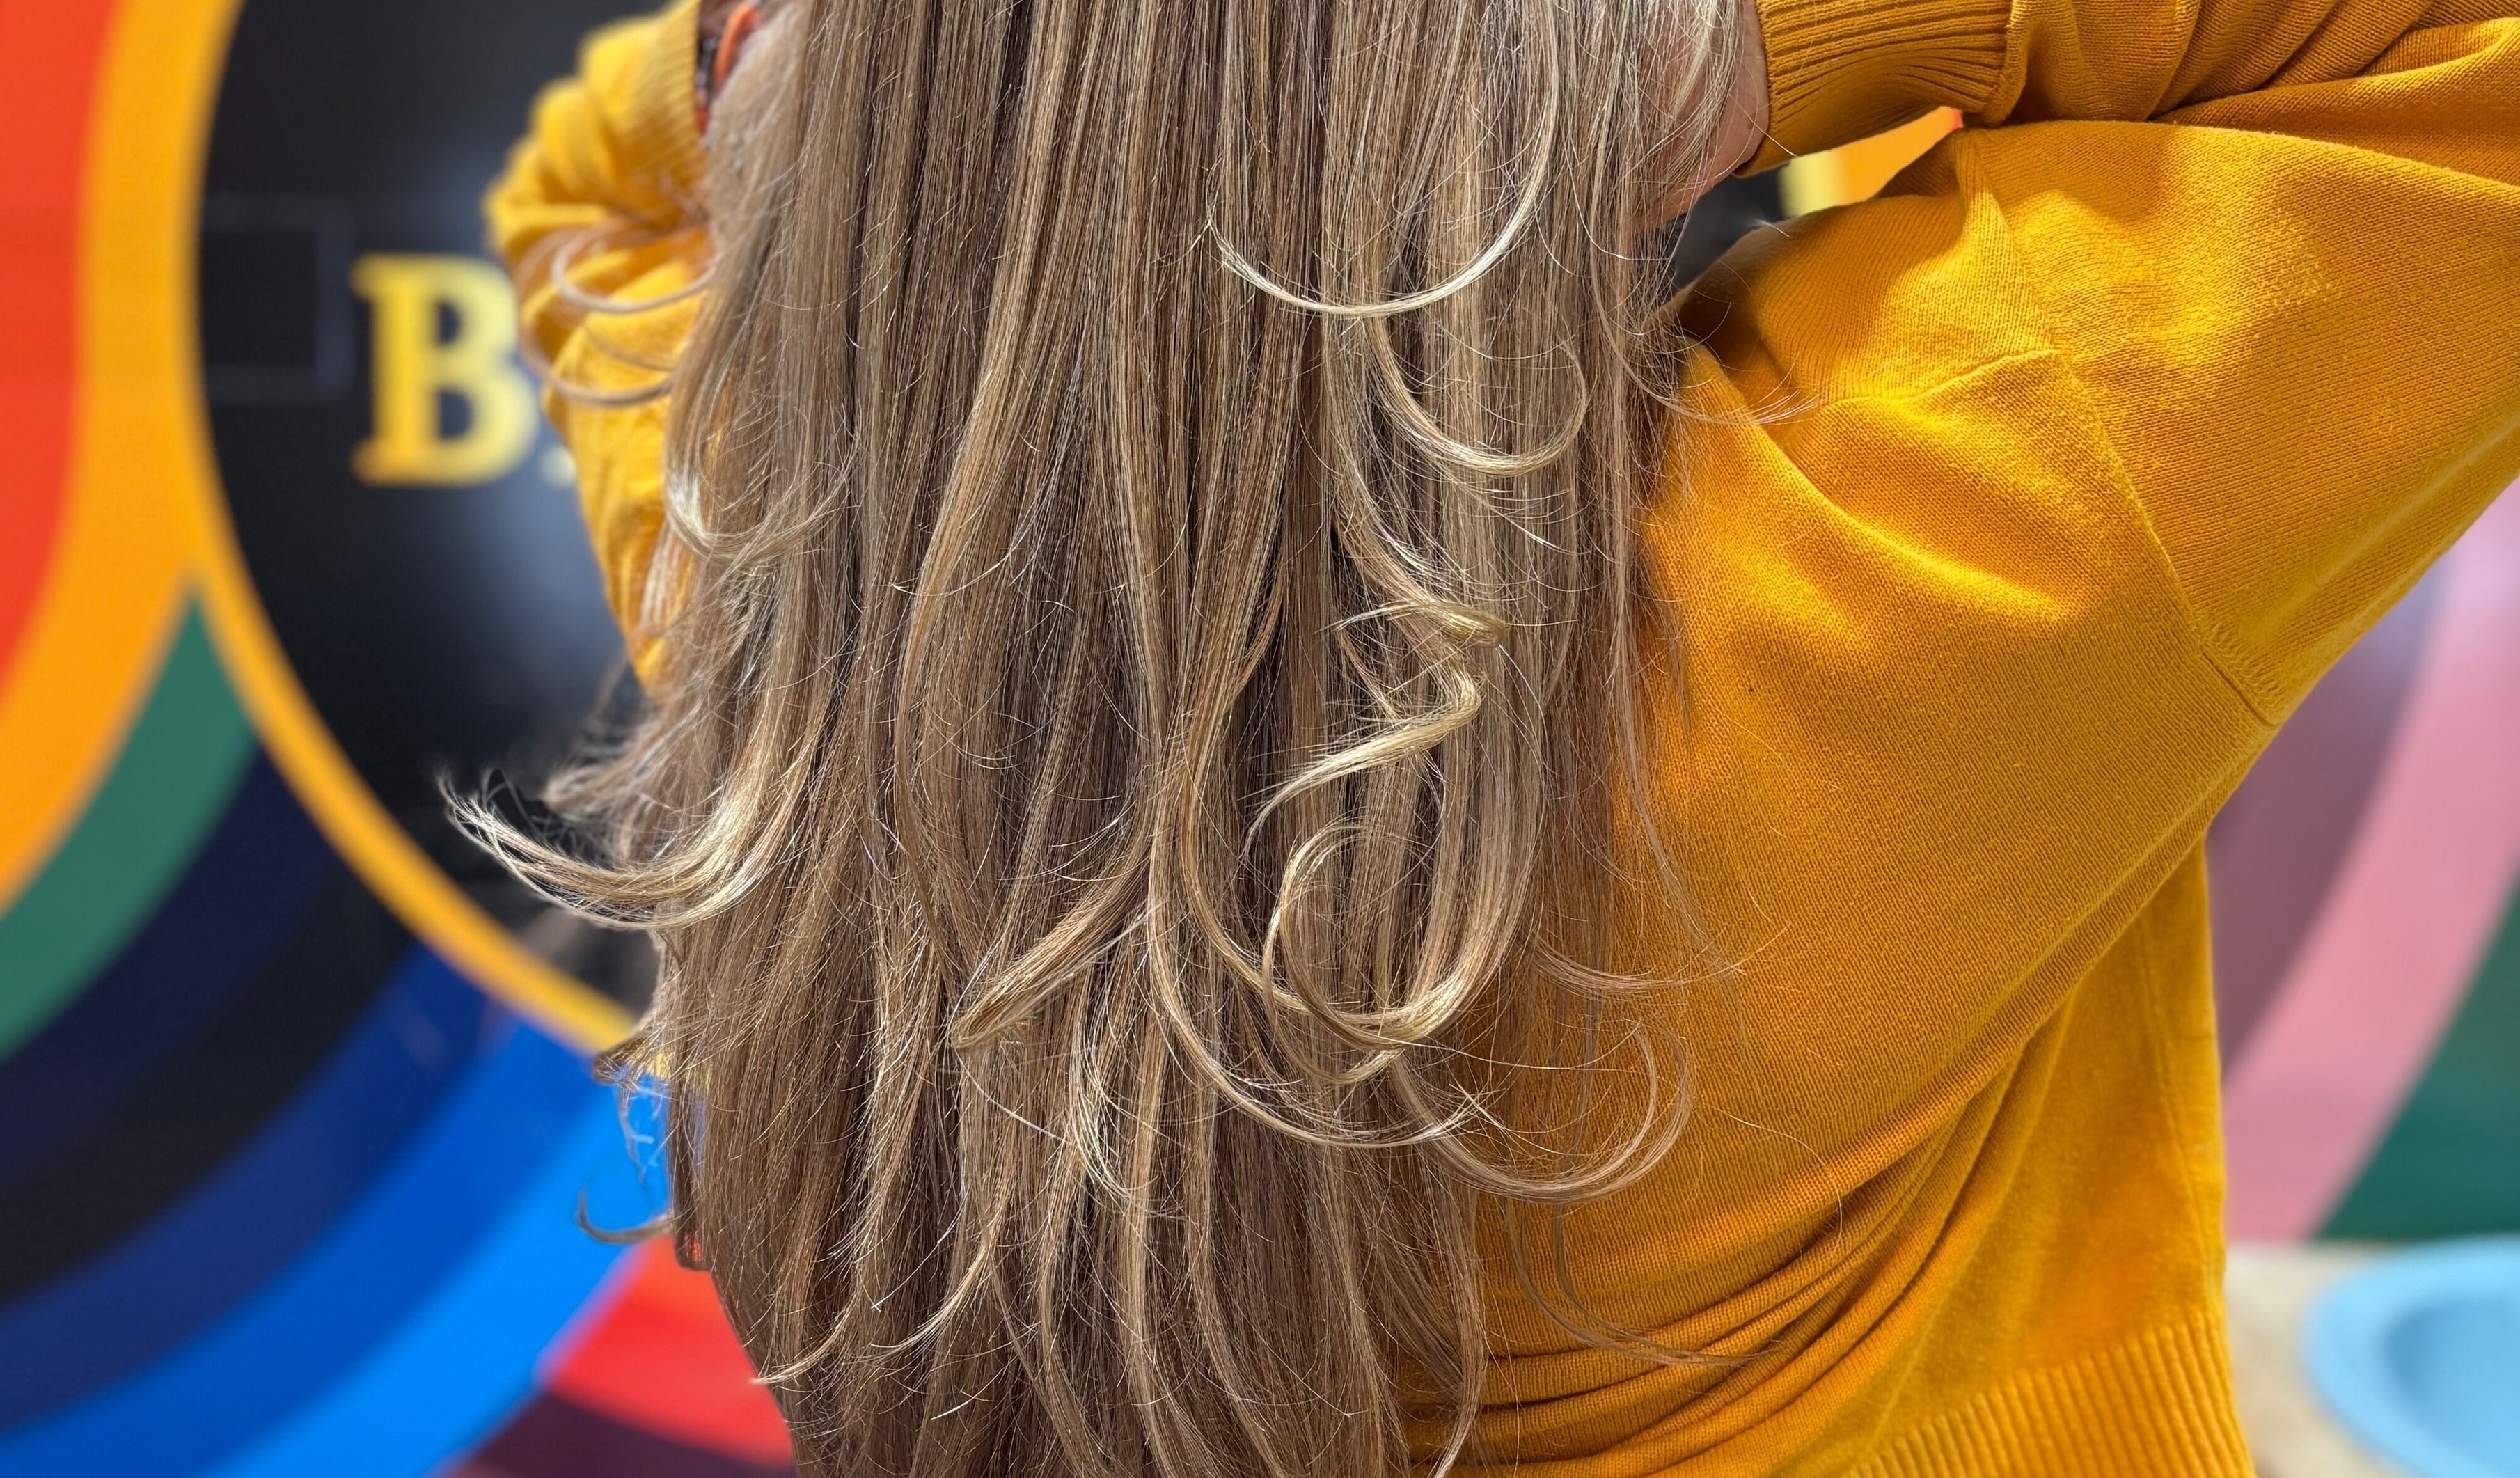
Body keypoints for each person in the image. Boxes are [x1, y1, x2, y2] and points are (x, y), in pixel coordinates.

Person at [480, 0, 2520, 1470]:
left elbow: (588, 183)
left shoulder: (780, 597)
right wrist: (1717, 37)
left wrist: (908, 91)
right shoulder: (1878, 573)